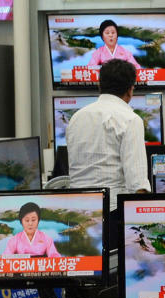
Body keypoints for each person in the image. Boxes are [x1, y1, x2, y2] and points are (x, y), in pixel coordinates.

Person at [67, 58, 151, 247]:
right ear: (131, 89)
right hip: (113, 218)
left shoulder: (76, 118)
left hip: (78, 213)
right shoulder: (130, 120)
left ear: (99, 85)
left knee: (89, 272)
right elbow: (137, 182)